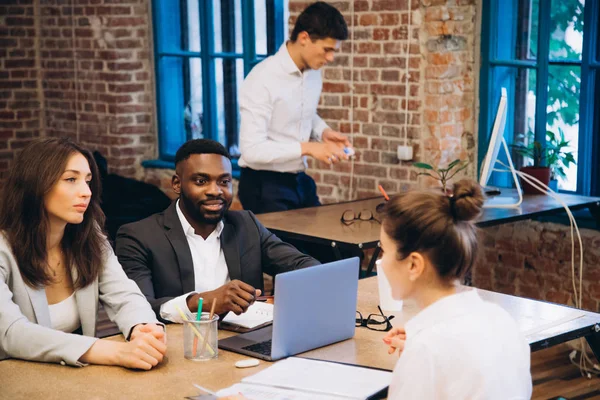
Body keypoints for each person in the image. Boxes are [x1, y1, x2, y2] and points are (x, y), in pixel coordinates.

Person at [0, 137, 166, 370]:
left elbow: (124, 295)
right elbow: (11, 333)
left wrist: (143, 327)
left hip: (75, 380)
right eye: (71, 179)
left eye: (88, 181)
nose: (86, 192)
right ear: (35, 185)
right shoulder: (3, 249)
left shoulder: (89, 236)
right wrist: (113, 351)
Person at [116, 139, 319, 323]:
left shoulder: (245, 224)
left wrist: (281, 297)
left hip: (244, 344)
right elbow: (140, 310)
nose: (215, 191)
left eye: (224, 181)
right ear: (177, 184)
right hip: (179, 347)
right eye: (201, 181)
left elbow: (302, 264)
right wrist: (203, 301)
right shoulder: (139, 236)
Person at [380, 180, 532, 399]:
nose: (382, 262)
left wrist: (421, 356)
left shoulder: (425, 351)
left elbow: (440, 353)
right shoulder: (503, 320)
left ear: (414, 264)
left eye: (384, 251)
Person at [237, 1, 353, 214]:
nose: (331, 58)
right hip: (263, 185)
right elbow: (251, 150)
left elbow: (302, 112)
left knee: (335, 246)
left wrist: (322, 132)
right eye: (327, 50)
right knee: (291, 248)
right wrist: (308, 148)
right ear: (304, 38)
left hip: (299, 179)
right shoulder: (261, 78)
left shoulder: (313, 74)